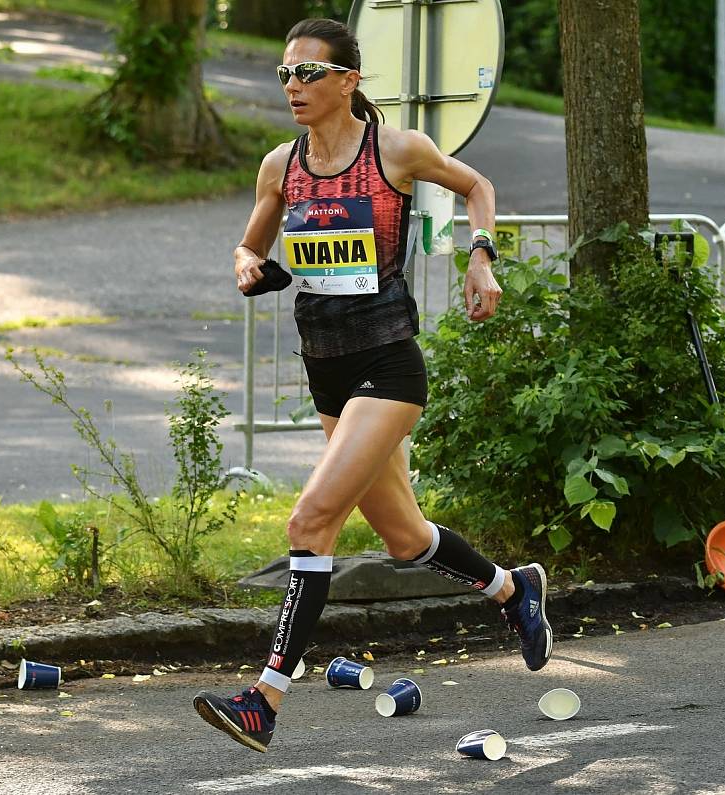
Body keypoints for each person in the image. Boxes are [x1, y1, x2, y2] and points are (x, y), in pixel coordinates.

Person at [193, 18, 552, 754]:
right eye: (285, 75)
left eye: (309, 75)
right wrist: (244, 264)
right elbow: (249, 242)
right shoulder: (279, 166)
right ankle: (516, 590)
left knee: (310, 523)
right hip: (325, 366)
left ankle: (263, 699)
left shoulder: (394, 149)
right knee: (404, 536)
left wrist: (479, 258)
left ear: (348, 81)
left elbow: (476, 184)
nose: (293, 86)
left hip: (387, 366)